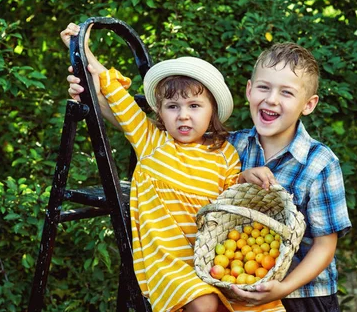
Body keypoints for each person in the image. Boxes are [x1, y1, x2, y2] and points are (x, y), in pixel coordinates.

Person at [60, 23, 285, 312]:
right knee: (203, 303)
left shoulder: (224, 153)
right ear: (160, 113)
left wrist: (246, 176)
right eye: (173, 107)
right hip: (169, 261)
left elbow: (232, 197)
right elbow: (115, 93)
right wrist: (82, 50)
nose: (183, 116)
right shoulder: (152, 141)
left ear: (212, 111)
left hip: (212, 257)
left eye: (194, 106)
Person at [228, 43, 352, 312]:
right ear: (249, 90)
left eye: (286, 92)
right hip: (239, 289)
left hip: (303, 296)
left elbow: (324, 246)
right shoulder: (230, 148)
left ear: (308, 104)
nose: (272, 99)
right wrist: (239, 178)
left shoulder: (320, 163)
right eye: (264, 87)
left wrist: (284, 287)